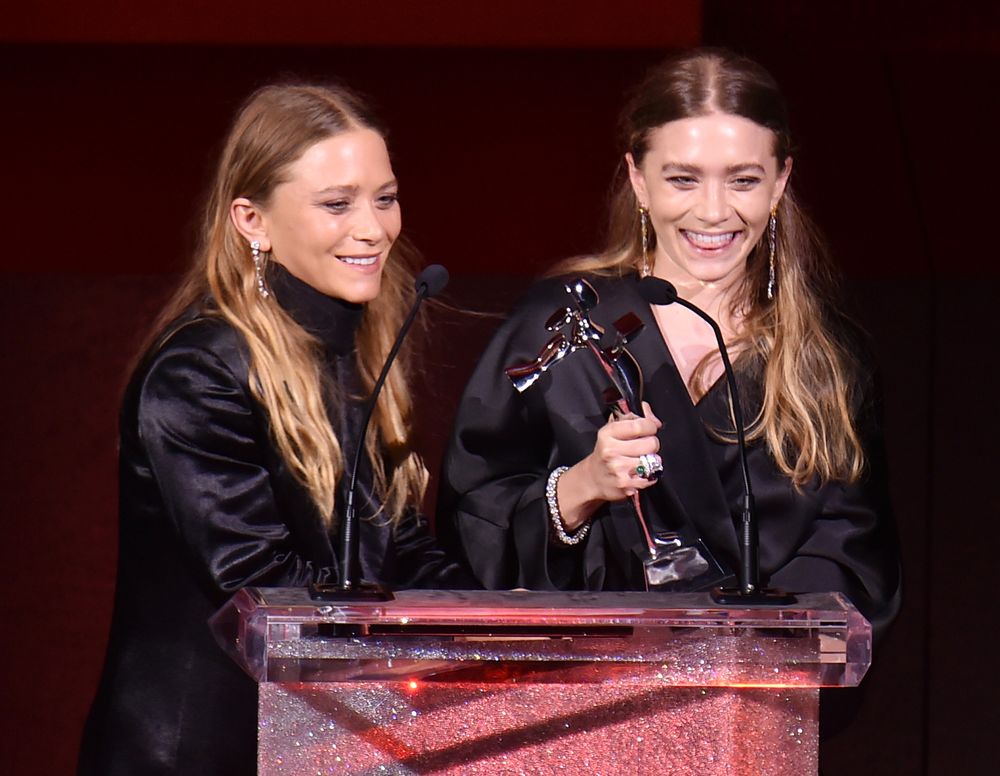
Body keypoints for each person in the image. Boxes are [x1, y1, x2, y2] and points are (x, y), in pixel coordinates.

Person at [79, 83, 472, 775]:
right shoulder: (199, 371)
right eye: (337, 203)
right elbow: (261, 588)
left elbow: (398, 548)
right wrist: (420, 637)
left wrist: (504, 623)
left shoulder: (351, 355)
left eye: (385, 198)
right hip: (200, 751)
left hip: (308, 740)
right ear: (252, 220)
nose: (375, 228)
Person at [438, 49, 900, 638]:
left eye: (744, 180)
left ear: (780, 181)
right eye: (682, 179)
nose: (712, 212)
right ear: (638, 179)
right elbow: (471, 520)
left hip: (756, 699)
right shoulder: (562, 323)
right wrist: (581, 488)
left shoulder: (829, 356)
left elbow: (857, 555)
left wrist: (748, 648)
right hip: (586, 693)